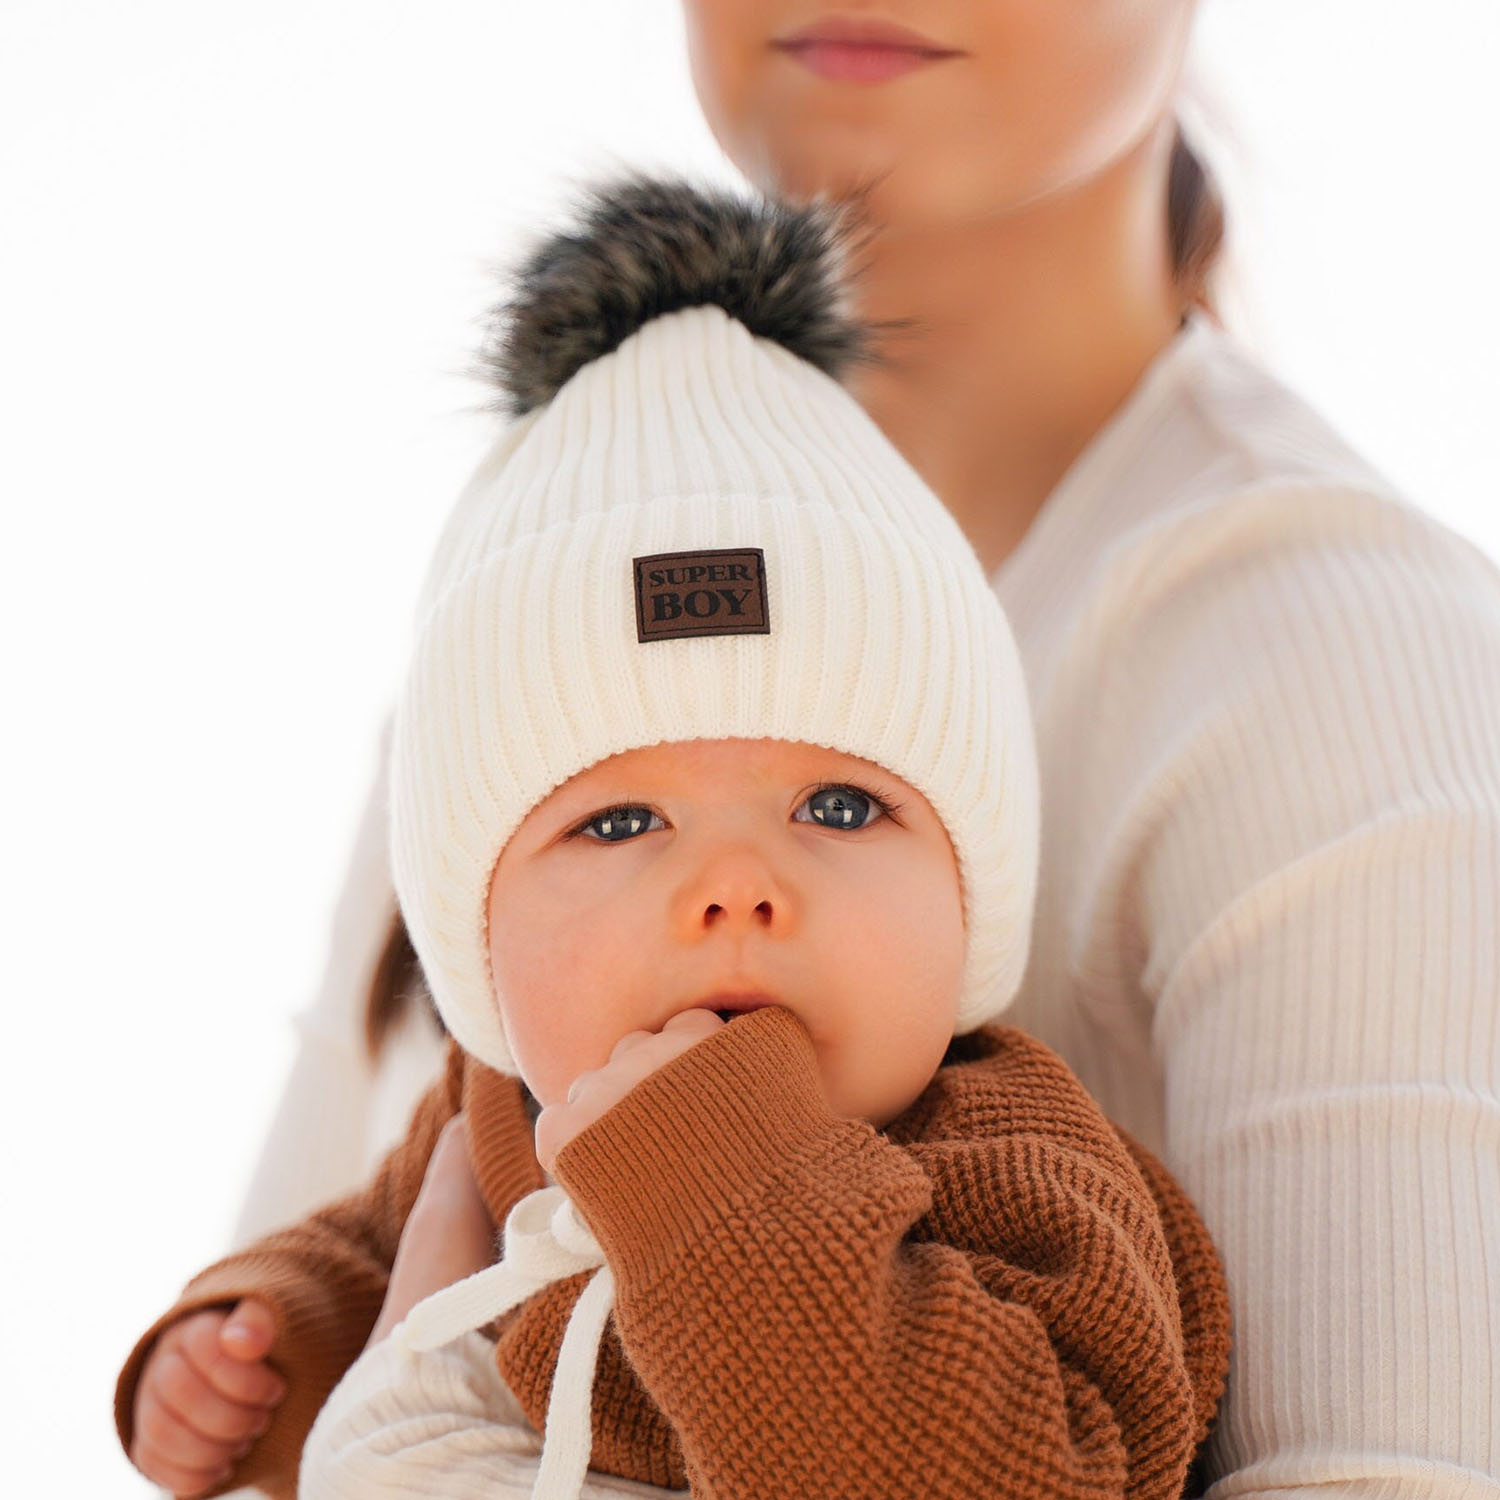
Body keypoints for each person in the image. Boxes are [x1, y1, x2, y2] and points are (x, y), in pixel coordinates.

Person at [134, 2, 1500, 1493]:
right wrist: (272, 1341)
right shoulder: (546, 619)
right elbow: (371, 1233)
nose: (724, 886)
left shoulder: (1337, 655)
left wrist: (416, 1454)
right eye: (616, 826)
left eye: (844, 807)